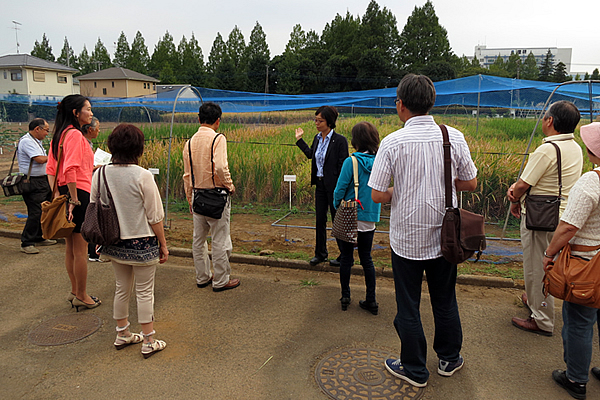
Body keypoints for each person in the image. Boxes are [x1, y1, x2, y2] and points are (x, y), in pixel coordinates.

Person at [369, 74, 478, 388]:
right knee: (445, 300)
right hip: (446, 238)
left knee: (409, 304)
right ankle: (449, 358)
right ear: (432, 102)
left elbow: (376, 193)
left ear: (401, 105)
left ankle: (415, 369)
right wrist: (443, 184)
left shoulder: (392, 142)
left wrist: (399, 191)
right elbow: (470, 183)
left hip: (407, 240)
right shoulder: (452, 136)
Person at [508, 101, 583, 336]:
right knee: (548, 264)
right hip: (563, 216)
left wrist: (513, 197)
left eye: (544, 117)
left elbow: (523, 184)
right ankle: (534, 299)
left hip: (541, 218)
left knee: (536, 267)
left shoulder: (547, 150)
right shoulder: (576, 147)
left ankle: (541, 320)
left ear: (550, 121)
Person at [96, 124, 169, 359]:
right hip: (142, 243)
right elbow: (155, 215)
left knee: (121, 288)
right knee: (145, 292)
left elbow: (95, 205)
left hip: (114, 241)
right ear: (138, 147)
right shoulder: (142, 175)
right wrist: (163, 244)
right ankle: (148, 340)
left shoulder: (99, 173)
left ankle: (122, 333)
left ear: (112, 145)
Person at [542, 122, 600, 400]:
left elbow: (568, 226)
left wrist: (550, 253)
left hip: (587, 262)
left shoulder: (592, 181)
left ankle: (576, 379)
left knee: (579, 320)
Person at [46, 94, 99, 310]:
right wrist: (74, 200)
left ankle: (75, 291)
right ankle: (83, 295)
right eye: (87, 109)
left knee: (70, 248)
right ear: (76, 113)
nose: (91, 112)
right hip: (79, 195)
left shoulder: (59, 135)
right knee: (80, 250)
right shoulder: (76, 136)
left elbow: (51, 169)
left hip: (64, 193)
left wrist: (58, 195)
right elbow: (70, 169)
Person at [183, 102, 239, 292]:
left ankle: (202, 277)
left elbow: (187, 175)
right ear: (217, 121)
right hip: (217, 197)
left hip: (198, 196)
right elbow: (221, 167)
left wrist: (190, 198)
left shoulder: (189, 143)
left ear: (199, 119)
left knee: (198, 241)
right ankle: (221, 280)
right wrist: (230, 185)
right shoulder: (218, 139)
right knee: (220, 239)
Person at [333, 121, 381, 314]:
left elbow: (339, 189)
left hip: (350, 214)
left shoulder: (351, 161)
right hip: (370, 217)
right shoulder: (379, 161)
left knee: (346, 258)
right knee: (366, 258)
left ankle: (345, 296)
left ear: (356, 140)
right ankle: (372, 300)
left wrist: (337, 206)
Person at [295, 106, 349, 267]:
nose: (317, 123)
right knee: (320, 220)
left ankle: (345, 255)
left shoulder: (340, 141)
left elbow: (343, 165)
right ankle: (320, 254)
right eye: (316, 120)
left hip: (334, 187)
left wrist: (341, 187)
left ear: (330, 122)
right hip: (319, 185)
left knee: (337, 220)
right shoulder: (317, 138)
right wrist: (299, 140)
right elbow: (311, 154)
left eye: (320, 120)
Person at [17, 118, 57, 254]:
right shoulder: (27, 141)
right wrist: (55, 156)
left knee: (44, 209)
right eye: (46, 130)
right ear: (37, 129)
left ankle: (39, 237)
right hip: (32, 182)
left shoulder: (36, 141)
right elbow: (39, 159)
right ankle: (26, 242)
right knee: (36, 212)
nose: (47, 133)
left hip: (41, 180)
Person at [81, 117, 108, 262]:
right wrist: (95, 168)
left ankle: (92, 251)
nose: (99, 130)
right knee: (92, 218)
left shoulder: (87, 143)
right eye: (97, 128)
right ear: (89, 129)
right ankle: (93, 252)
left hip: (88, 183)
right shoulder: (81, 143)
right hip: (86, 186)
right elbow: (81, 167)